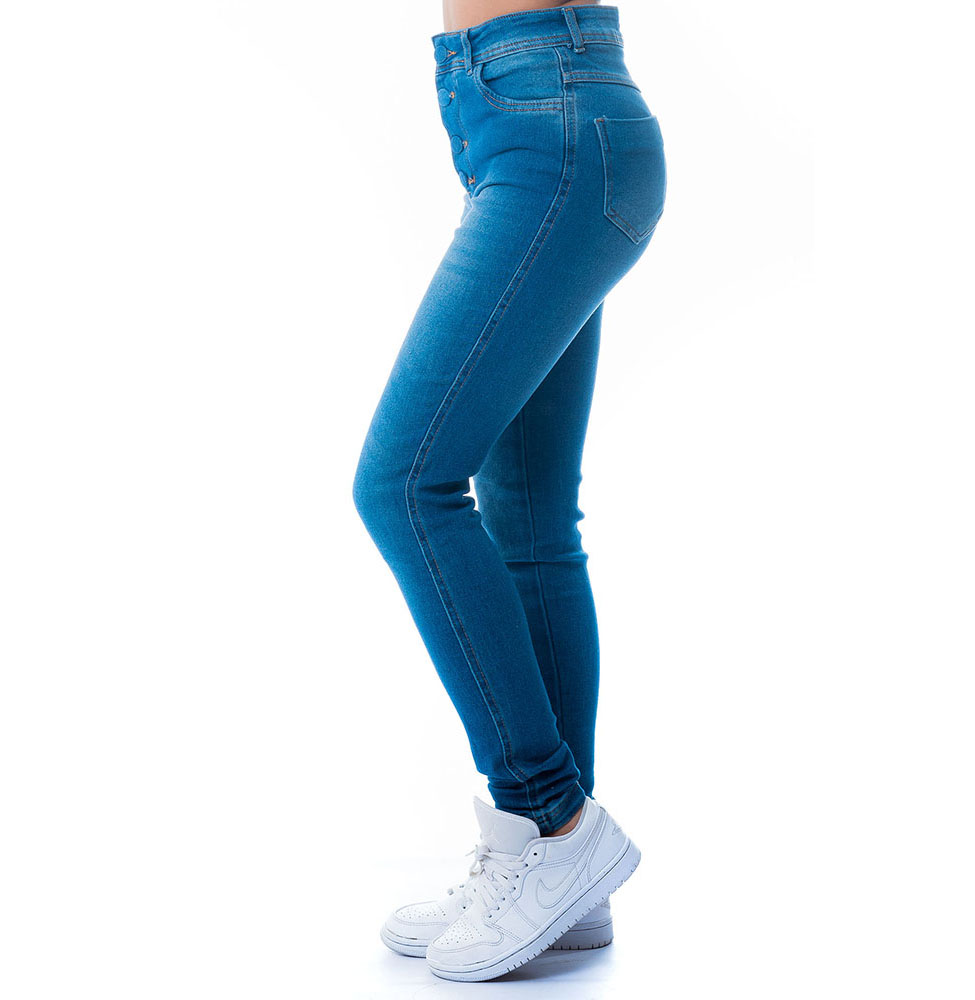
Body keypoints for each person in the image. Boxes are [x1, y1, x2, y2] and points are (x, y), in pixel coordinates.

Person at [352, 2, 665, 981]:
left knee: (405, 485)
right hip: (524, 111)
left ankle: (553, 814)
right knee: (526, 512)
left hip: (550, 117)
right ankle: (555, 864)